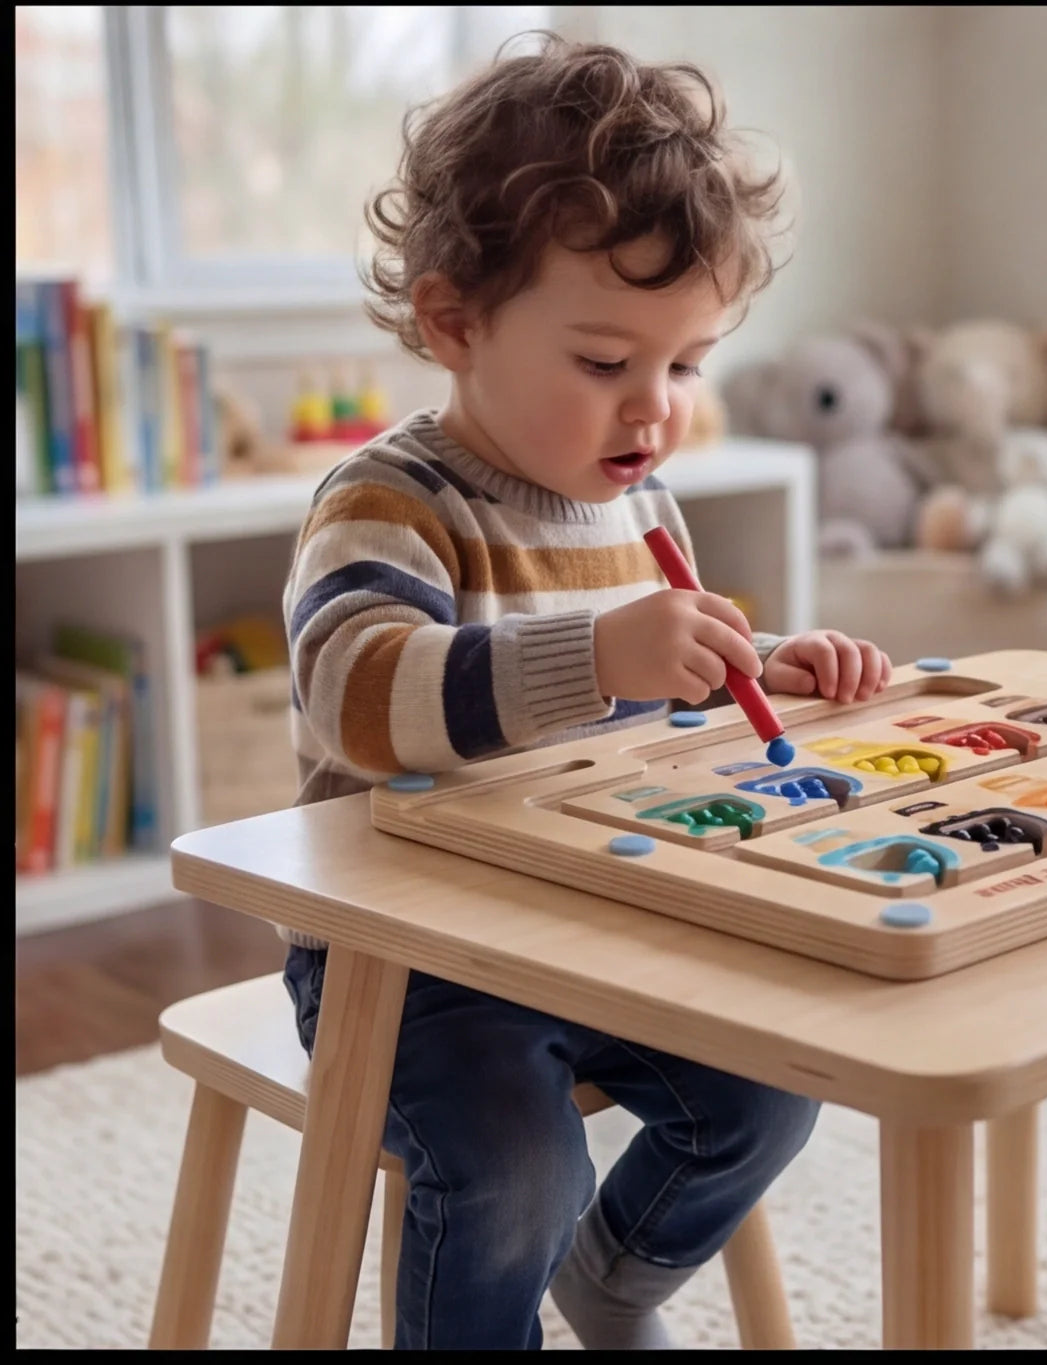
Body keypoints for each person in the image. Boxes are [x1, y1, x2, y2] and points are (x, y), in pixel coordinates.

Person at [280, 32, 893, 1351]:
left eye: (685, 365)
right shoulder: (388, 501)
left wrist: (750, 667)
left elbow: (648, 700)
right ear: (456, 322)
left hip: (599, 915)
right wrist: (603, 654)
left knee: (776, 1081)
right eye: (608, 363)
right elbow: (358, 697)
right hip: (409, 957)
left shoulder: (639, 495)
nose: (656, 412)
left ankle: (612, 1281)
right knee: (513, 1169)